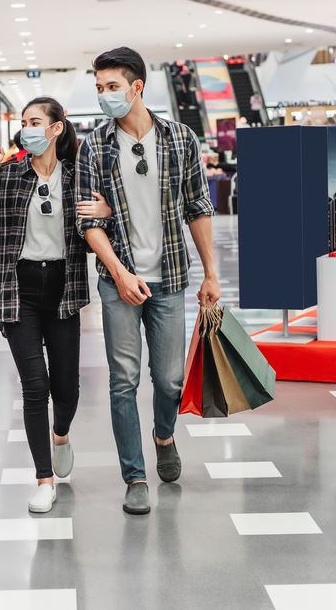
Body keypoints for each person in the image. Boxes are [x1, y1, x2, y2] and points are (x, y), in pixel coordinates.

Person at [0, 97, 111, 513]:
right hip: (15, 290)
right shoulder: (5, 177)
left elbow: (107, 223)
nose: (26, 129)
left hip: (64, 289)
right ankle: (44, 478)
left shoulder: (77, 177)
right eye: (23, 123)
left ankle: (61, 435)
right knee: (34, 387)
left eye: (35, 122)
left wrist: (106, 211)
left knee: (67, 389)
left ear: (56, 129)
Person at [77, 46, 218, 516]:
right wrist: (119, 272)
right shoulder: (94, 146)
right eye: (98, 89)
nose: (104, 96)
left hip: (171, 278)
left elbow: (198, 207)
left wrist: (211, 274)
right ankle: (134, 476)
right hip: (118, 282)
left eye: (112, 87)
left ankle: (164, 435)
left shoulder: (179, 139)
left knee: (170, 380)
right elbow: (86, 222)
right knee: (123, 381)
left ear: (137, 88)